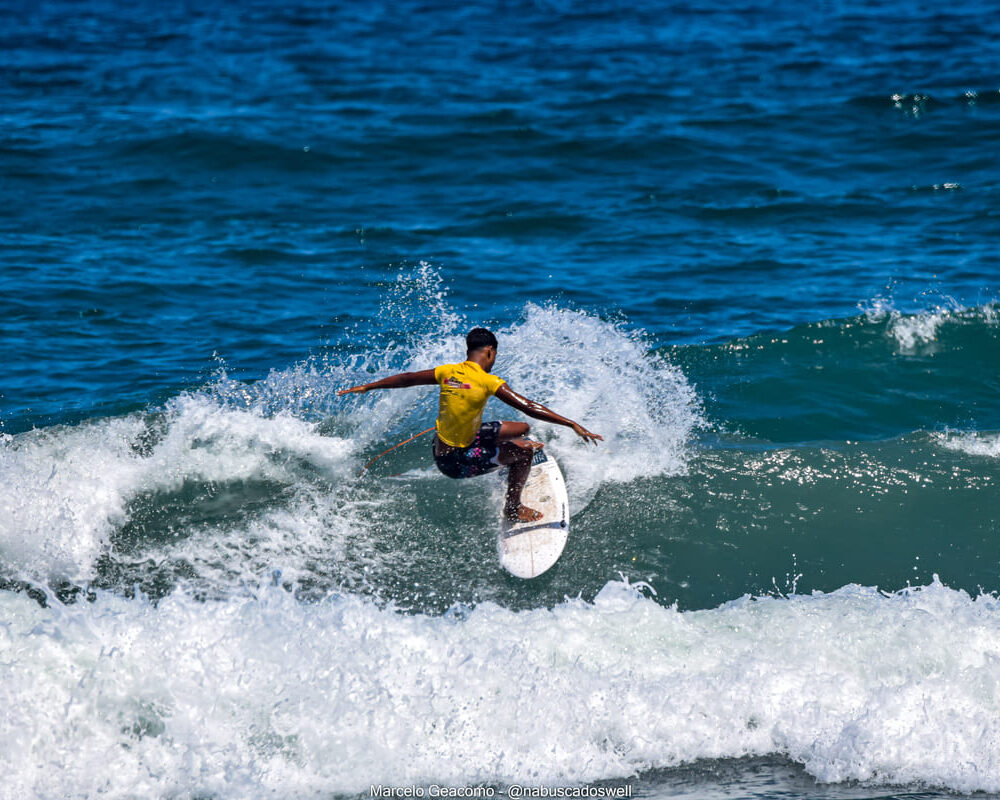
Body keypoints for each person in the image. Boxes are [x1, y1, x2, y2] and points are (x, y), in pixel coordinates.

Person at [337, 327, 602, 522]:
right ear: (490, 352)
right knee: (525, 453)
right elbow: (529, 405)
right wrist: (572, 424)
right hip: (455, 461)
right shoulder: (489, 381)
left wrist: (368, 386)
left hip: (456, 441)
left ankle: (501, 461)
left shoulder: (447, 371)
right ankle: (512, 508)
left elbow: (407, 378)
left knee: (521, 429)